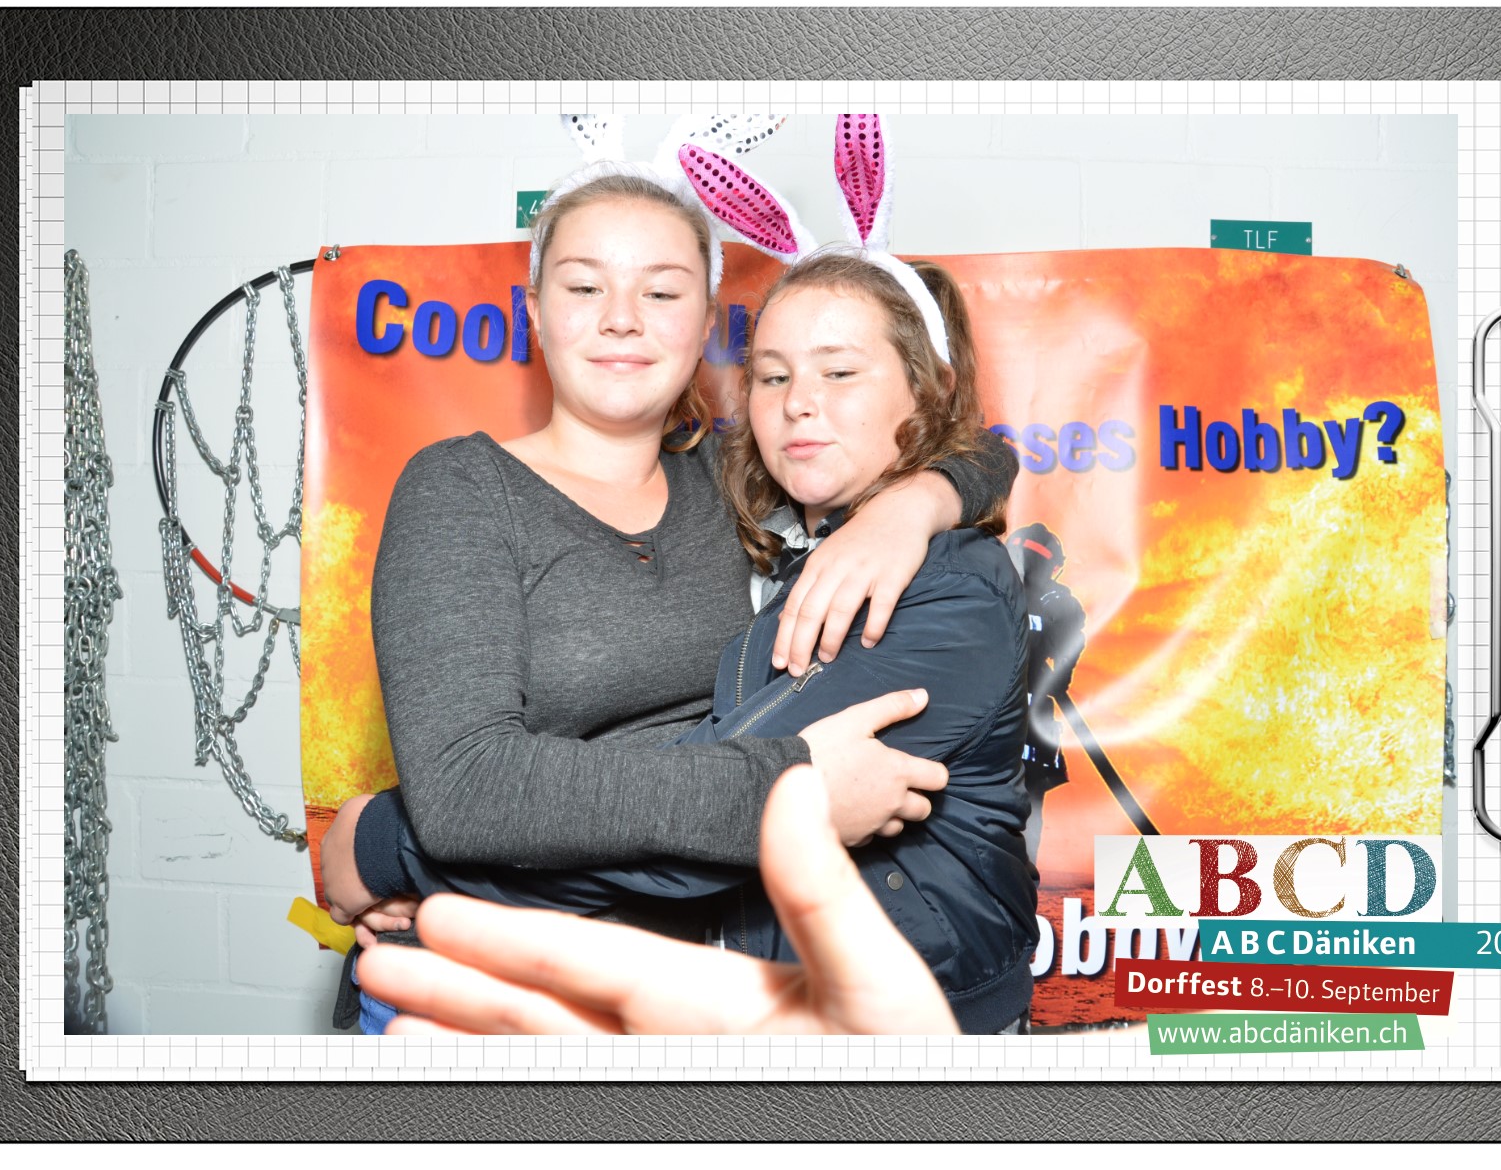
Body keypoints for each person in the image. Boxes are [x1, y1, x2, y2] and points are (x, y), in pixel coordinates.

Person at [318, 116, 1017, 1027]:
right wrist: (795, 786)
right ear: (533, 310)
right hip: (483, 981)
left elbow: (972, 445)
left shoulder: (734, 483)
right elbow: (468, 794)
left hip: (683, 990)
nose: (621, 317)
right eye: (584, 286)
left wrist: (917, 503)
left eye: (661, 290)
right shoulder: (461, 488)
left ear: (704, 325)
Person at [357, 763, 960, 1036]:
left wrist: (388, 845)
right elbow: (465, 788)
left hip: (696, 998)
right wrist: (392, 846)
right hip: (468, 984)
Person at [1005, 522, 1086, 864]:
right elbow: (1070, 641)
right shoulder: (1055, 599)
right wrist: (1060, 677)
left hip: (994, 739)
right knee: (1026, 825)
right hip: (1025, 742)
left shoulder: (986, 586)